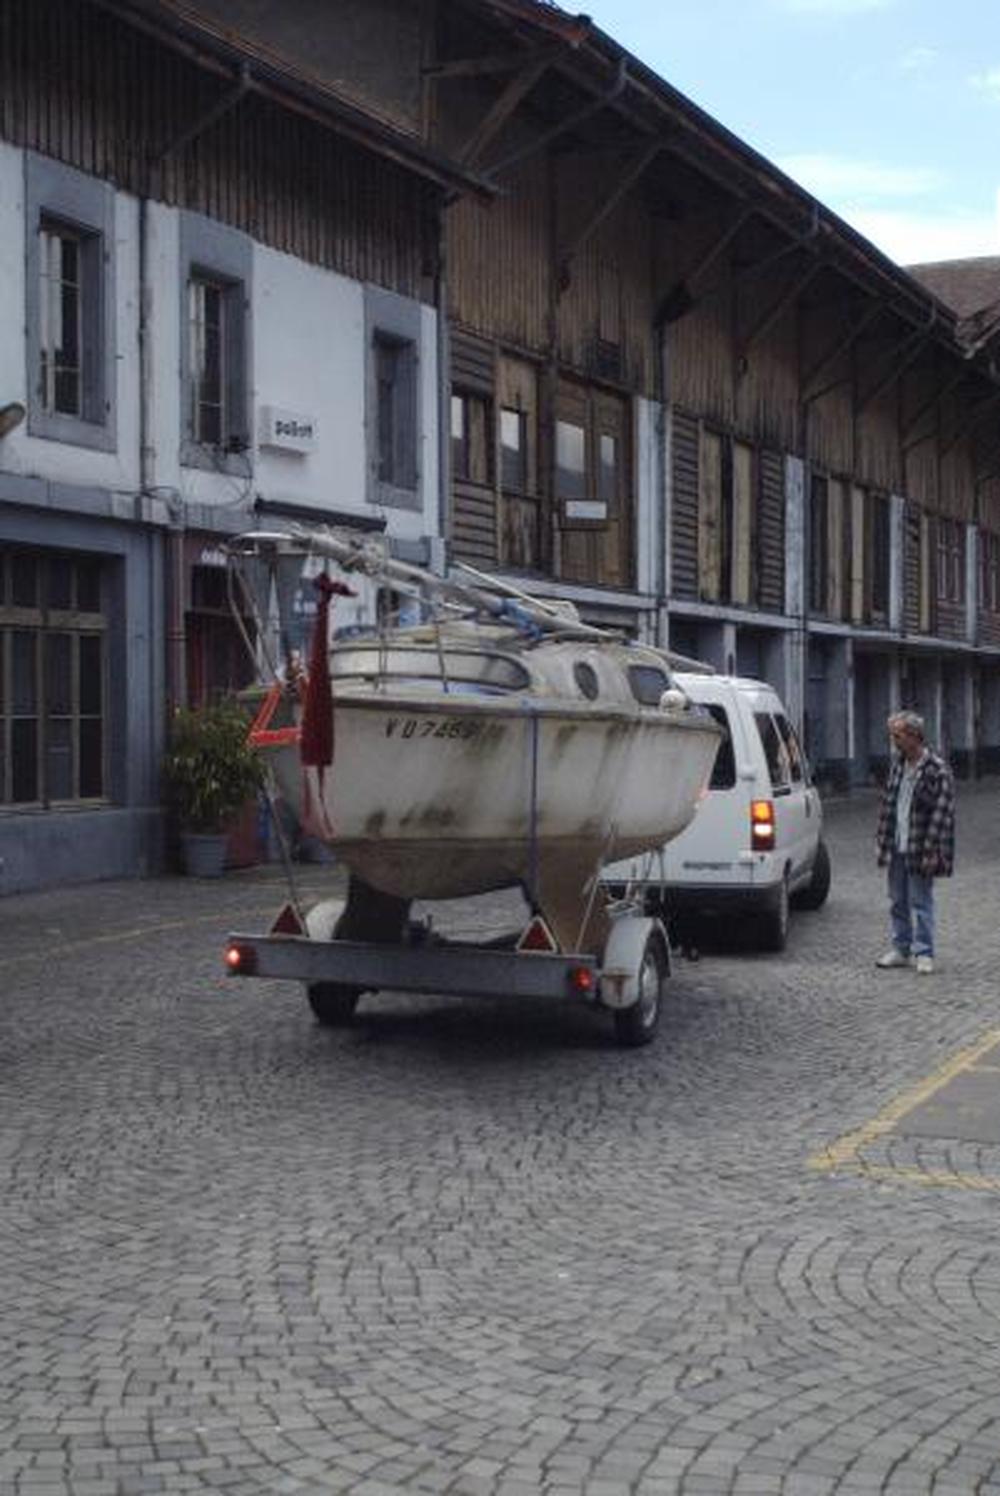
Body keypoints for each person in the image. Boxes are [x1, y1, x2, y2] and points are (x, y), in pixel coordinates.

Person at [874, 710, 955, 975]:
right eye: (892, 735)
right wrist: (882, 839)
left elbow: (942, 813)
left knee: (921, 900)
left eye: (897, 736)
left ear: (914, 736)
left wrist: (932, 849)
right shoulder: (897, 765)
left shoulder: (937, 769)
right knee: (897, 899)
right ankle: (901, 949)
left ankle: (924, 952)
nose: (894, 741)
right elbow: (889, 804)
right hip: (897, 842)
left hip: (921, 845)